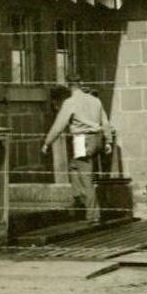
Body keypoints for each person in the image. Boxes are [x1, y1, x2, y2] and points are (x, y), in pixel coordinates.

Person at [42, 71, 113, 224]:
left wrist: (47, 142)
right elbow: (105, 122)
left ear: (69, 86)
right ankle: (79, 200)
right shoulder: (95, 100)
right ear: (80, 84)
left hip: (81, 140)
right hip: (98, 139)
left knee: (84, 176)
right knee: (74, 167)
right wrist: (108, 141)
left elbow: (59, 126)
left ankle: (93, 215)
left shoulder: (70, 102)